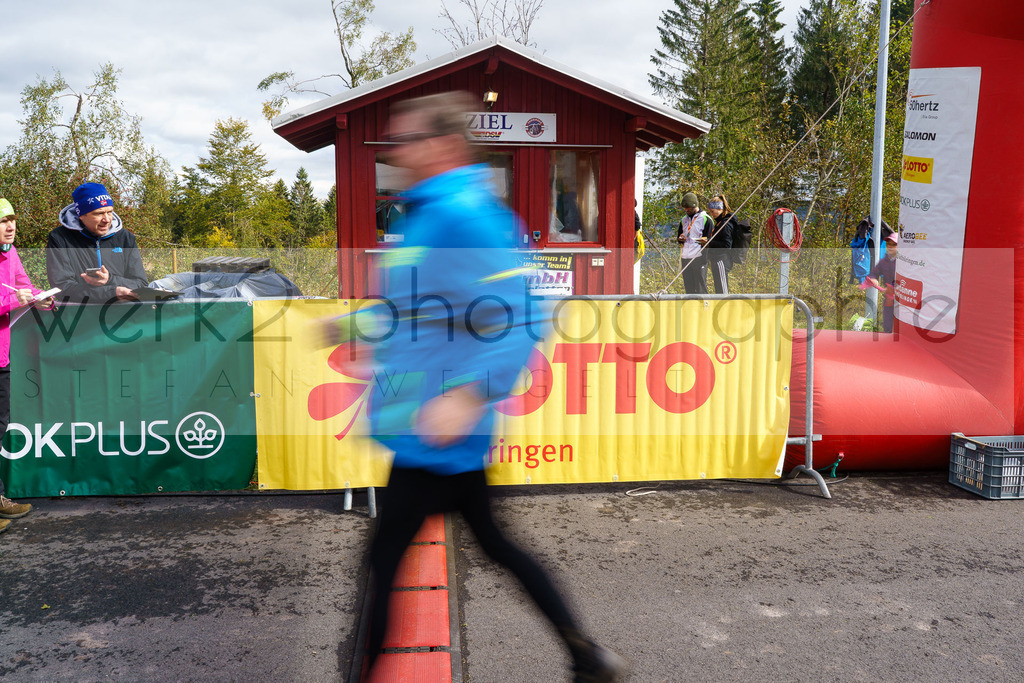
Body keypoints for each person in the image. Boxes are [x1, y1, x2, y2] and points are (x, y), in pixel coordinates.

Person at [343, 92, 624, 682]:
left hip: (441, 431)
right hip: (422, 424)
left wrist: (470, 395)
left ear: (444, 145)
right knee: (494, 546)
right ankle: (587, 657)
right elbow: (414, 309)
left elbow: (525, 316)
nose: (397, 151)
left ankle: (586, 656)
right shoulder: (424, 214)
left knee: (384, 560)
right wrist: (349, 325)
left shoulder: (466, 214)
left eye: (409, 139)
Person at [0, 198, 54, 533]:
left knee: (0, 425)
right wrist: (10, 300)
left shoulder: (11, 251)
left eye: (12, 219)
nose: (10, 226)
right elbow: (9, 297)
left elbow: (22, 285)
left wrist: (42, 297)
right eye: (2, 220)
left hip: (1, 356)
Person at [46, 182, 147, 303]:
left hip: (123, 314)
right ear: (81, 215)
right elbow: (62, 288)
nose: (107, 219)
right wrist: (111, 293)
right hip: (79, 316)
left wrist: (110, 280)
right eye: (99, 213)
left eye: (109, 212)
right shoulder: (60, 238)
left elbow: (141, 284)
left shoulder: (126, 237)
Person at [859, 230, 899, 333]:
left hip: (901, 300)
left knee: (899, 327)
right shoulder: (884, 261)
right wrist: (873, 279)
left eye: (894, 244)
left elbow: (903, 279)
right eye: (888, 244)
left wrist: (893, 288)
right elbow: (874, 272)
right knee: (887, 324)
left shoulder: (902, 262)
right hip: (889, 300)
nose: (890, 246)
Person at [676, 192, 711, 294]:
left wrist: (706, 242)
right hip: (685, 257)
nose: (686, 210)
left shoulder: (706, 219)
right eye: (685, 208)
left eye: (688, 208)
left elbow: (711, 240)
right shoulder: (683, 220)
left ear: (695, 205)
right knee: (689, 289)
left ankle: (704, 309)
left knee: (700, 288)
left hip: (699, 257)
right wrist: (680, 238)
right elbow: (679, 237)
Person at [704, 194, 736, 294]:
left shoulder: (725, 224)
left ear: (719, 209)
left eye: (712, 211)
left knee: (723, 290)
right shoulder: (718, 224)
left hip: (722, 260)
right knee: (718, 289)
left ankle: (726, 308)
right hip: (716, 260)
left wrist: (709, 242)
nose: (711, 214)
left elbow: (727, 245)